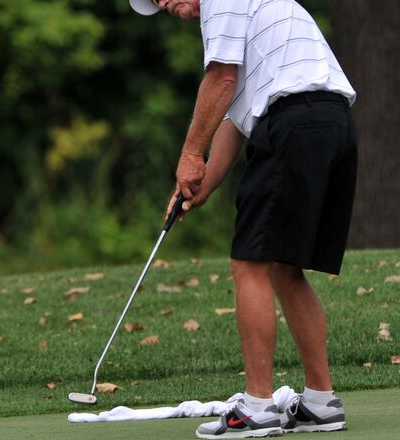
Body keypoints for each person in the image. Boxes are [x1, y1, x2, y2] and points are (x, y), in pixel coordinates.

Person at [129, 0, 357, 438]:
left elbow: (220, 79)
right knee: (284, 268)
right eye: (158, 5)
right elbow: (235, 116)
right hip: (333, 124)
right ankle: (321, 402)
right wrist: (200, 187)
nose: (169, 8)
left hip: (292, 120)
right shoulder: (249, 19)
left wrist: (191, 154)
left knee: (249, 264)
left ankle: (256, 408)